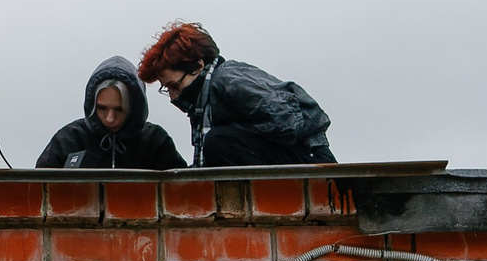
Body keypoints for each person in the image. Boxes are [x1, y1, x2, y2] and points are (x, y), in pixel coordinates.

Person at [136, 23, 333, 168]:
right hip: (293, 158)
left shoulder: (228, 80)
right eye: (166, 89)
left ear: (198, 66)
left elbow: (289, 122)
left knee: (219, 141)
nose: (173, 97)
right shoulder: (203, 106)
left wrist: (235, 128)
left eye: (174, 86)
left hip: (310, 159)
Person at [36, 56, 184, 172]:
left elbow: (183, 189)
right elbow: (38, 190)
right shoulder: (69, 140)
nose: (110, 118)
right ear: (93, 105)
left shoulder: (155, 142)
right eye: (102, 108)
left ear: (133, 109)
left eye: (119, 109)